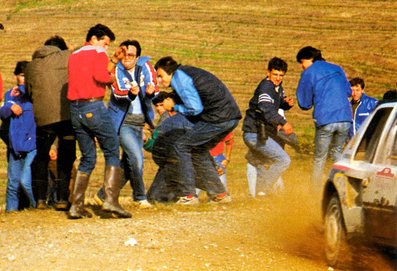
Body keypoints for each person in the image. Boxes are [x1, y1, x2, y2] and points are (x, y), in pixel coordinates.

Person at [155, 56, 241, 205]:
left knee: (181, 146)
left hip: (218, 118)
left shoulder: (179, 78)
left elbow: (195, 109)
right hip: (230, 117)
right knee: (198, 150)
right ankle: (220, 194)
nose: (159, 80)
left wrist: (174, 107)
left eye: (160, 76)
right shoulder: (186, 73)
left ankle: (189, 195)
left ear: (170, 72)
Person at [67, 24, 131, 219]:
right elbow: (101, 76)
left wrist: (112, 60)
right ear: (95, 38)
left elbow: (88, 74)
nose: (106, 48)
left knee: (88, 157)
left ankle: (76, 205)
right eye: (106, 43)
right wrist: (113, 77)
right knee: (112, 150)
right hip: (93, 107)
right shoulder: (98, 52)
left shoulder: (75, 54)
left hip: (75, 110)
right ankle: (111, 200)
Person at [94, 39, 157, 209]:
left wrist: (151, 92)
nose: (128, 58)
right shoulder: (115, 71)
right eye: (125, 54)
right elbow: (119, 93)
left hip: (139, 123)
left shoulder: (146, 68)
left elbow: (154, 88)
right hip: (123, 123)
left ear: (137, 57)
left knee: (129, 163)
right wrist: (130, 92)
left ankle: (102, 195)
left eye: (132, 55)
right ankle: (140, 196)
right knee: (137, 159)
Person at [25, 35, 76, 210]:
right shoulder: (67, 56)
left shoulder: (31, 65)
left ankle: (40, 199)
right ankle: (62, 198)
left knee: (41, 157)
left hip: (42, 118)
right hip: (65, 115)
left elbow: (28, 91)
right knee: (66, 156)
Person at [296, 46, 352, 193]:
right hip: (345, 117)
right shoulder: (337, 68)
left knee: (319, 158)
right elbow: (348, 91)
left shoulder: (309, 73)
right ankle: (344, 189)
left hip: (326, 119)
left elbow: (304, 103)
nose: (302, 66)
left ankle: (315, 194)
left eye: (302, 62)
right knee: (337, 154)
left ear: (310, 59)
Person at [242, 57, 294, 197]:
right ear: (268, 73)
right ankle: (263, 191)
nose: (278, 78)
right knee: (283, 160)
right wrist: (283, 122)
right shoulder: (266, 87)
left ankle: (260, 194)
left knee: (261, 162)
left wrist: (285, 104)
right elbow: (266, 108)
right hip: (254, 133)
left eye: (281, 75)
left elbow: (272, 105)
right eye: (275, 74)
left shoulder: (277, 87)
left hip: (259, 132)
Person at [0, 61, 37, 211]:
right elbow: (3, 112)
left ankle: (37, 207)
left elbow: (28, 91)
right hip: (15, 145)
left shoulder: (34, 94)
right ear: (15, 76)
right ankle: (11, 212)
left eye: (28, 76)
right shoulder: (10, 94)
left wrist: (21, 89)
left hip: (32, 144)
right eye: (22, 75)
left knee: (25, 182)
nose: (25, 78)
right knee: (13, 184)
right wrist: (10, 105)